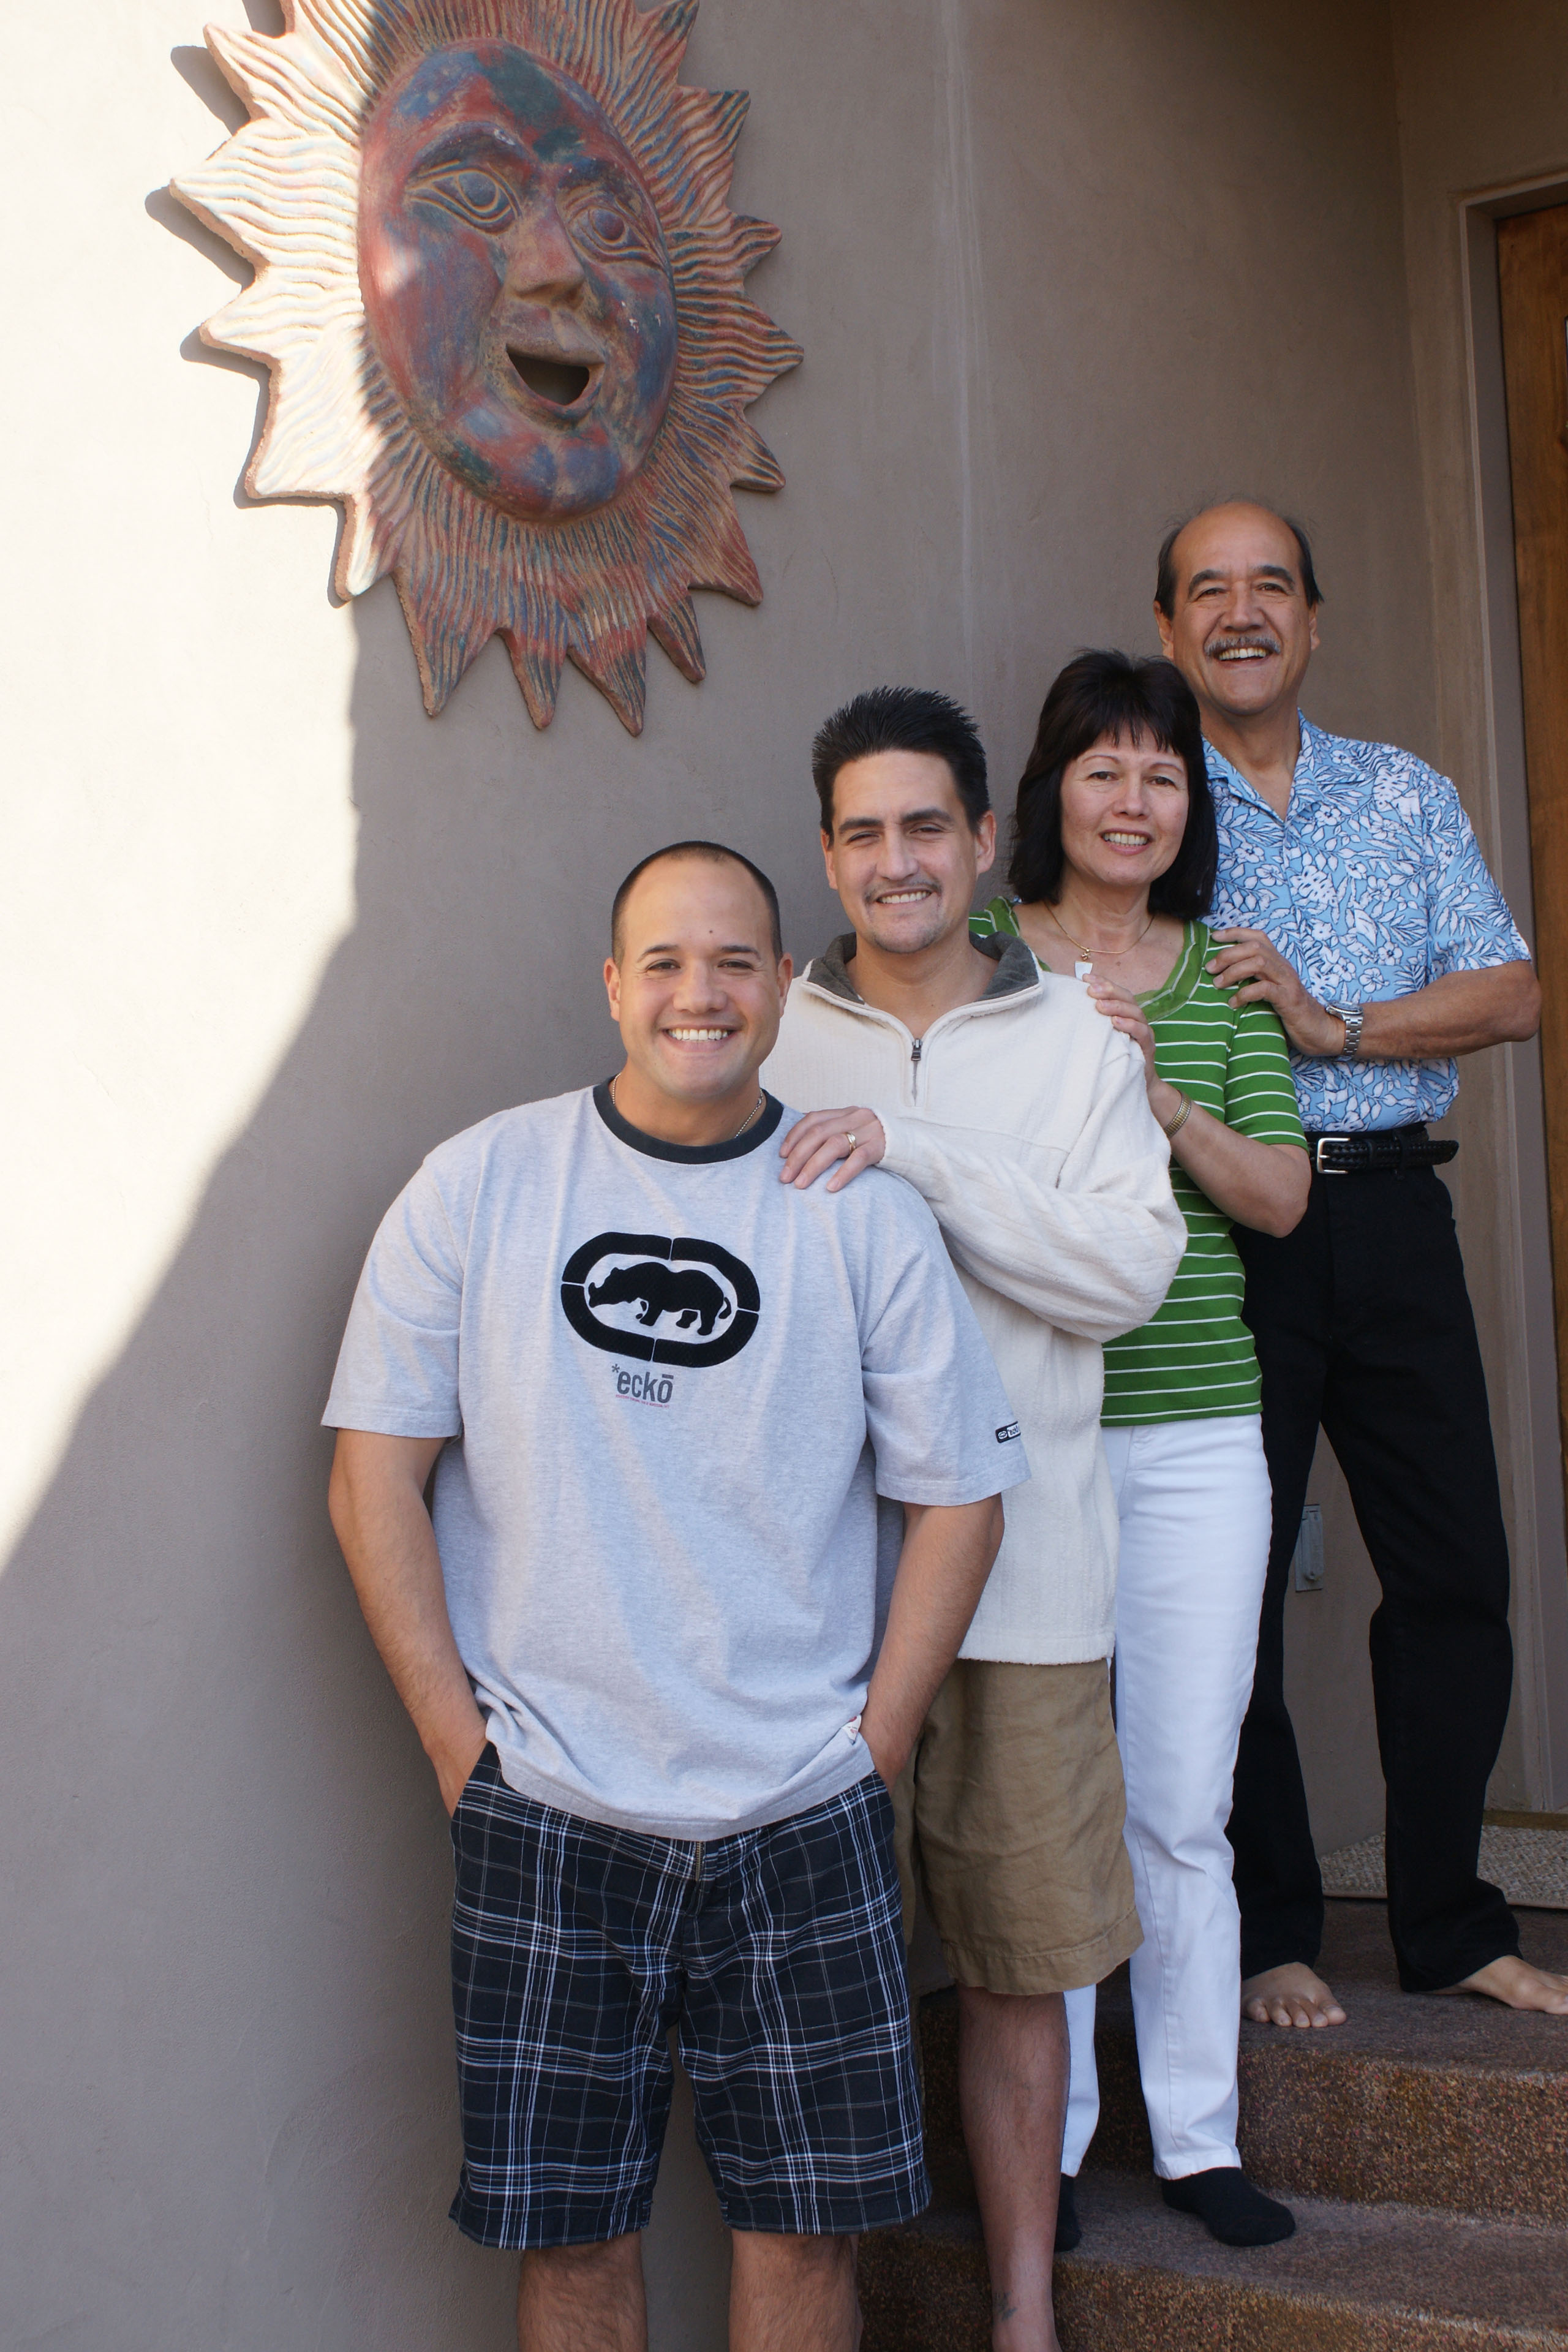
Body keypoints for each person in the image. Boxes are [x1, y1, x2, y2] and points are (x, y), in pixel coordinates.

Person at [324, 840, 1030, 2352]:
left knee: (808, 2246)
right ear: (611, 986)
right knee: (573, 2253)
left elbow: (959, 1498)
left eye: (731, 963)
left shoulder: (857, 1212)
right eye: (662, 962)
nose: (696, 995)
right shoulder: (483, 1183)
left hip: (800, 1813)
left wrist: (872, 1753)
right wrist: (466, 1757)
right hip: (549, 1812)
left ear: (784, 986)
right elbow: (369, 1473)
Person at [763, 688, 1186, 2351]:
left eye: (925, 826)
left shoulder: (1081, 1049)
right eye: (861, 833)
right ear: (828, 853)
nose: (895, 861)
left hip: (1027, 1601)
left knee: (1022, 1974)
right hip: (814, 1615)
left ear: (986, 843)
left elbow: (1129, 1273)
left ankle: (1024, 2322)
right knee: (819, 1999)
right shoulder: (768, 1038)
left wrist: (920, 1156)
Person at [1154, 499, 1568, 2024]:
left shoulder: (1400, 795)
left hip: (1392, 1215)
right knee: (1229, 1588)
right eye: (1208, 590)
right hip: (1220, 1232)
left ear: (1312, 621)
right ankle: (1265, 1930)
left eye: (1270, 586)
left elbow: (1512, 990)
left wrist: (1337, 1026)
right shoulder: (1145, 802)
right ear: (1167, 629)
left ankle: (1452, 1925)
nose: (1241, 612)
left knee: (1456, 1567)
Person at [971, 649, 1309, 2250]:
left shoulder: (1227, 977)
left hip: (1191, 1434)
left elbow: (1281, 1199)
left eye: (1162, 773)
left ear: (1191, 806)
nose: (1132, 798)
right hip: (1022, 1433)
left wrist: (1152, 1090)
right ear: (1052, 792)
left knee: (1179, 1798)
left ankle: (1192, 2135)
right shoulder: (975, 958)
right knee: (1040, 1793)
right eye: (1102, 769)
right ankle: (1051, 2146)